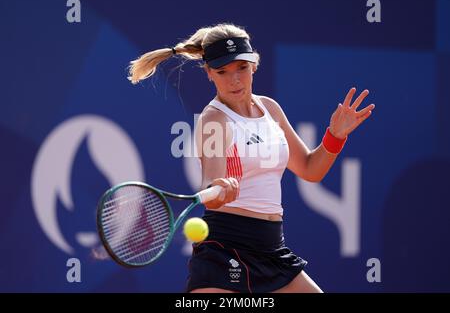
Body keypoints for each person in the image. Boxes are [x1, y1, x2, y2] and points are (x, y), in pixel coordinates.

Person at [128, 23, 375, 293]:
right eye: (222, 71)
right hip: (225, 251)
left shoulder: (270, 109)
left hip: (272, 249)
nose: (234, 80)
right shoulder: (214, 120)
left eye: (241, 68)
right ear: (209, 73)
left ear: (254, 65)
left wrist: (334, 136)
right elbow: (211, 181)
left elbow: (310, 169)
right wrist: (219, 189)